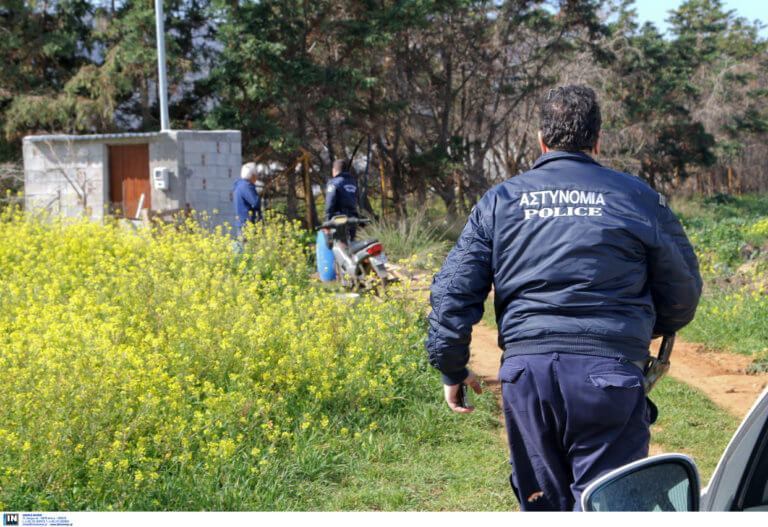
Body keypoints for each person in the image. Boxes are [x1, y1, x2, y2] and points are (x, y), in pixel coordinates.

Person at [426, 85, 702, 511]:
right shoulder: (636, 197)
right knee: (610, 507)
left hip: (526, 379)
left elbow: (452, 293)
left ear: (541, 139)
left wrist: (452, 367)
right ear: (597, 140)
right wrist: (640, 332)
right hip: (609, 377)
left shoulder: (500, 201)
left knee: (542, 507)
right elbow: (683, 291)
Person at [325, 158, 359, 240]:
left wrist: (328, 220)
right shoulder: (353, 182)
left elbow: (330, 202)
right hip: (352, 218)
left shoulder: (333, 183)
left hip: (339, 220)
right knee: (351, 244)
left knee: (338, 245)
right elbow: (355, 198)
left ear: (335, 170)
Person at [233, 162, 264, 238]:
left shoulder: (239, 185)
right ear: (252, 175)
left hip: (243, 224)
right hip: (248, 225)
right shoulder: (246, 186)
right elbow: (255, 202)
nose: (257, 177)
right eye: (256, 174)